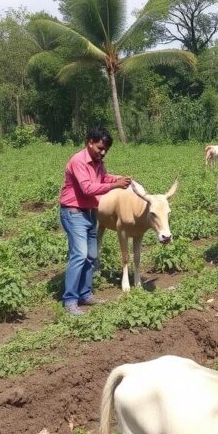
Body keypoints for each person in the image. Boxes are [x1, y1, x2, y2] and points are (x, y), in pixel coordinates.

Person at [59, 126, 132, 315]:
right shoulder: (78, 161)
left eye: (106, 149)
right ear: (90, 142)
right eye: (100, 147)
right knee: (80, 255)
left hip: (90, 212)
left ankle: (85, 294)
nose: (103, 152)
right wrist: (115, 185)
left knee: (91, 255)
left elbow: (103, 178)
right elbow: (87, 188)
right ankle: (70, 301)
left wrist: (118, 178)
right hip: (73, 213)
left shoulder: (98, 161)